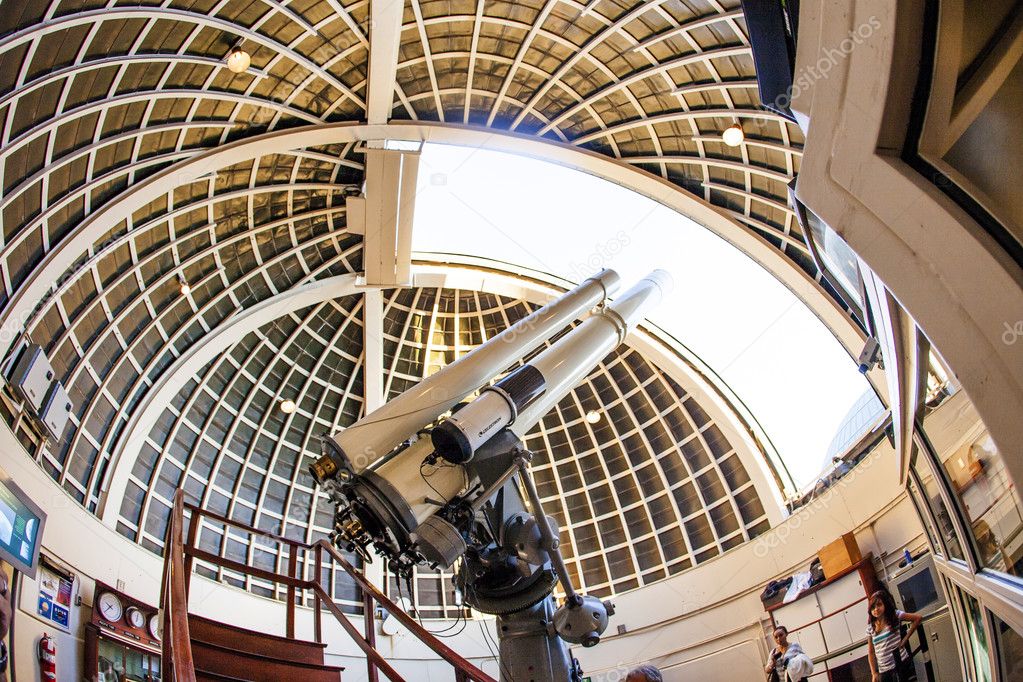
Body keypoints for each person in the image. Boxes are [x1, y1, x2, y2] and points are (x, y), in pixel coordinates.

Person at [867, 589, 922, 682]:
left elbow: (918, 618)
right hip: (884, 670)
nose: (876, 609)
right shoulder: (870, 627)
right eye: (873, 607)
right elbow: (871, 652)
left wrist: (905, 640)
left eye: (879, 605)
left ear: (885, 604)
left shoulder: (895, 615)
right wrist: (874, 673)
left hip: (901, 663)